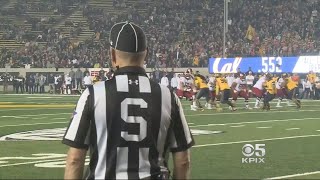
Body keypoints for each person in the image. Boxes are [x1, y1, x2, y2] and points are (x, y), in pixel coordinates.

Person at [63, 22, 194, 179]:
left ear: (112, 54)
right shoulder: (168, 96)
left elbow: (75, 160)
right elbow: (183, 161)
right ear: (146, 54)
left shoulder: (93, 94)